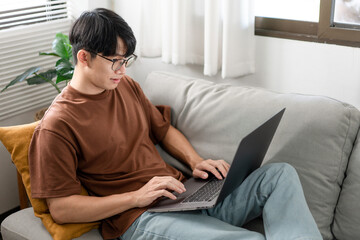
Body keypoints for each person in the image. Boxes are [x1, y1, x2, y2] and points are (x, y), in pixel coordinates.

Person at [28, 8, 323, 240]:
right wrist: (136, 196)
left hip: (185, 196)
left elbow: (164, 130)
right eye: (115, 61)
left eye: (127, 60)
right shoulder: (57, 125)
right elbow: (62, 208)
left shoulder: (126, 86)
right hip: (142, 218)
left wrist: (196, 161)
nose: (122, 69)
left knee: (279, 175)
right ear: (84, 57)